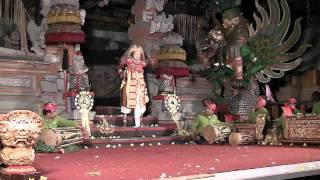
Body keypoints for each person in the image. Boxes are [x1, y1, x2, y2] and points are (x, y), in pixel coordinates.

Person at [118, 44, 151, 127]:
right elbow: (119, 68)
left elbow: (149, 64)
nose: (137, 56)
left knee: (141, 103)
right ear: (132, 54)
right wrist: (122, 73)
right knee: (127, 102)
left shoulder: (142, 63)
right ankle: (124, 123)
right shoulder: (128, 61)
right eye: (136, 54)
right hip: (129, 85)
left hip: (140, 86)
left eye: (139, 54)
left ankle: (139, 123)